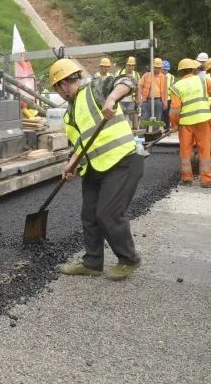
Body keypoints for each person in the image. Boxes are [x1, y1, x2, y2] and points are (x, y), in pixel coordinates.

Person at [50, 59, 143, 281]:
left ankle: (129, 258)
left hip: (122, 161)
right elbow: (81, 144)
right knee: (89, 215)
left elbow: (128, 80)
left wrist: (111, 99)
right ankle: (92, 262)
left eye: (56, 87)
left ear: (63, 84)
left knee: (108, 214)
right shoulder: (69, 114)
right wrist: (71, 164)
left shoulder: (96, 89)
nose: (59, 92)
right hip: (94, 168)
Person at [169, 59, 211, 187]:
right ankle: (206, 181)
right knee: (204, 150)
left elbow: (175, 110)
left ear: (180, 72)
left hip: (185, 124)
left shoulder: (176, 86)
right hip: (203, 121)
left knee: (185, 151)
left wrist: (174, 125)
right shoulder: (203, 80)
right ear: (195, 70)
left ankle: (187, 179)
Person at [139, 57, 168, 132]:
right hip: (147, 101)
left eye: (159, 67)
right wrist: (140, 98)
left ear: (161, 67)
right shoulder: (146, 75)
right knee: (144, 119)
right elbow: (140, 86)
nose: (157, 69)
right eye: (155, 67)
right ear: (152, 67)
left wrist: (165, 102)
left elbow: (165, 91)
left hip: (159, 101)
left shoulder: (164, 77)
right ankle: (141, 137)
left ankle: (154, 137)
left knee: (157, 120)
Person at [117, 57, 140, 128]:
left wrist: (137, 99)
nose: (131, 67)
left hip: (131, 100)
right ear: (126, 65)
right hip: (121, 99)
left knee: (131, 118)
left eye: (132, 65)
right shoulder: (119, 73)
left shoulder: (136, 75)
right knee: (120, 118)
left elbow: (138, 88)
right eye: (129, 65)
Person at [162, 60, 174, 128]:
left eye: (166, 70)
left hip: (168, 98)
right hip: (160, 98)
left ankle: (166, 128)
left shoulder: (171, 77)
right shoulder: (158, 76)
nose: (165, 71)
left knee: (166, 114)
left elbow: (171, 88)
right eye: (163, 70)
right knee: (160, 114)